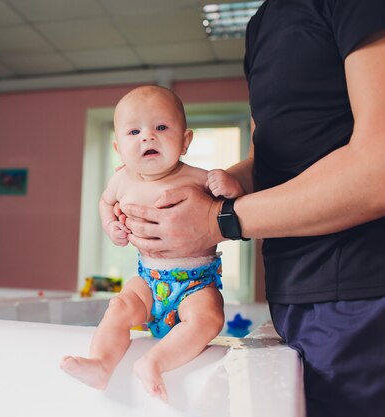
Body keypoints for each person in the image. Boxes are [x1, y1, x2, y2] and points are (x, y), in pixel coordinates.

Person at [118, 2, 385, 416]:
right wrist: (198, 197)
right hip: (293, 293)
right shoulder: (262, 22)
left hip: (363, 290)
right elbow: (268, 159)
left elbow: (379, 167)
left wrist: (216, 220)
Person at [60, 85, 244, 400]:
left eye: (161, 127)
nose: (148, 136)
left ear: (185, 141)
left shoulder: (198, 178)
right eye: (134, 131)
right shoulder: (120, 180)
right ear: (119, 148)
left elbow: (234, 206)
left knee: (209, 318)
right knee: (118, 306)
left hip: (195, 283)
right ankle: (101, 365)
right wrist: (110, 226)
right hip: (149, 279)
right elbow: (105, 203)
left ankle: (153, 361)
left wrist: (230, 185)